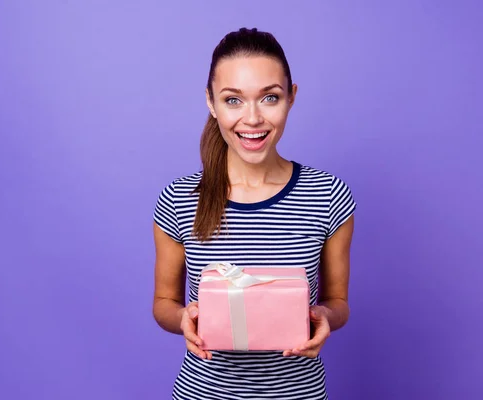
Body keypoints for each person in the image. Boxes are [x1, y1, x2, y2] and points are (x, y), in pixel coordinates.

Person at [152, 27, 356, 400]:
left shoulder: (327, 195)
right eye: (233, 100)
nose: (252, 119)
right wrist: (183, 319)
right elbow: (164, 304)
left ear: (291, 98)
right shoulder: (180, 199)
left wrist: (325, 317)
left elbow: (338, 302)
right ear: (211, 103)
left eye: (269, 98)